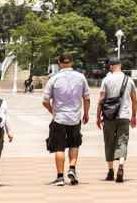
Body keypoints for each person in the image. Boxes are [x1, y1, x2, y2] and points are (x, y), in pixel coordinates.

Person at [42, 53, 91, 187]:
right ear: (72, 62)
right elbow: (87, 98)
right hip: (75, 118)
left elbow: (45, 101)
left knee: (59, 147)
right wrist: (86, 114)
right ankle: (72, 168)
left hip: (59, 118)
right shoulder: (81, 78)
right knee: (74, 144)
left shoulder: (54, 79)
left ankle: (60, 177)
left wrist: (53, 111)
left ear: (59, 63)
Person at [95, 56, 137, 184]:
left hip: (109, 117)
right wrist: (134, 116)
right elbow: (134, 100)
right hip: (124, 116)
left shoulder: (106, 80)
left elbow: (101, 100)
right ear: (120, 66)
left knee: (109, 142)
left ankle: (110, 171)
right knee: (122, 141)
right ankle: (121, 165)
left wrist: (98, 116)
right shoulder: (129, 80)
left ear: (110, 67)